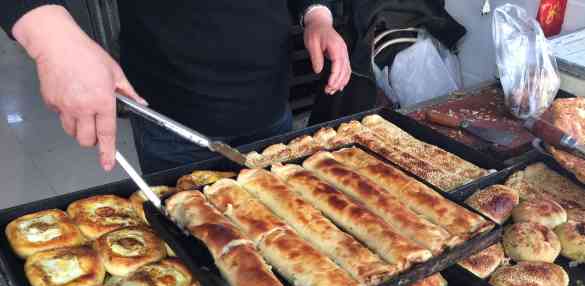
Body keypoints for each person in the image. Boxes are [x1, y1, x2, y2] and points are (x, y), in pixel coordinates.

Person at [1, 2, 351, 173]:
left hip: (270, 104)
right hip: (173, 120)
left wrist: (317, 15)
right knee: (191, 245)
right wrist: (54, 38)